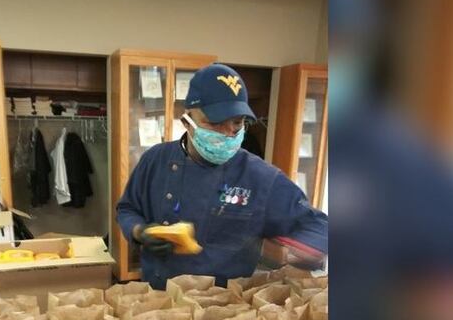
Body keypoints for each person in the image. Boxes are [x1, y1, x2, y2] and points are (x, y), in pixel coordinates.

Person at [116, 64, 328, 289]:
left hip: (224, 310)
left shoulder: (260, 177)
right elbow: (128, 208)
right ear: (187, 120)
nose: (228, 134)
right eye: (215, 123)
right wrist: (140, 232)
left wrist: (308, 247)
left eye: (237, 123)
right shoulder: (156, 160)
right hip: (157, 298)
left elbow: (318, 226)